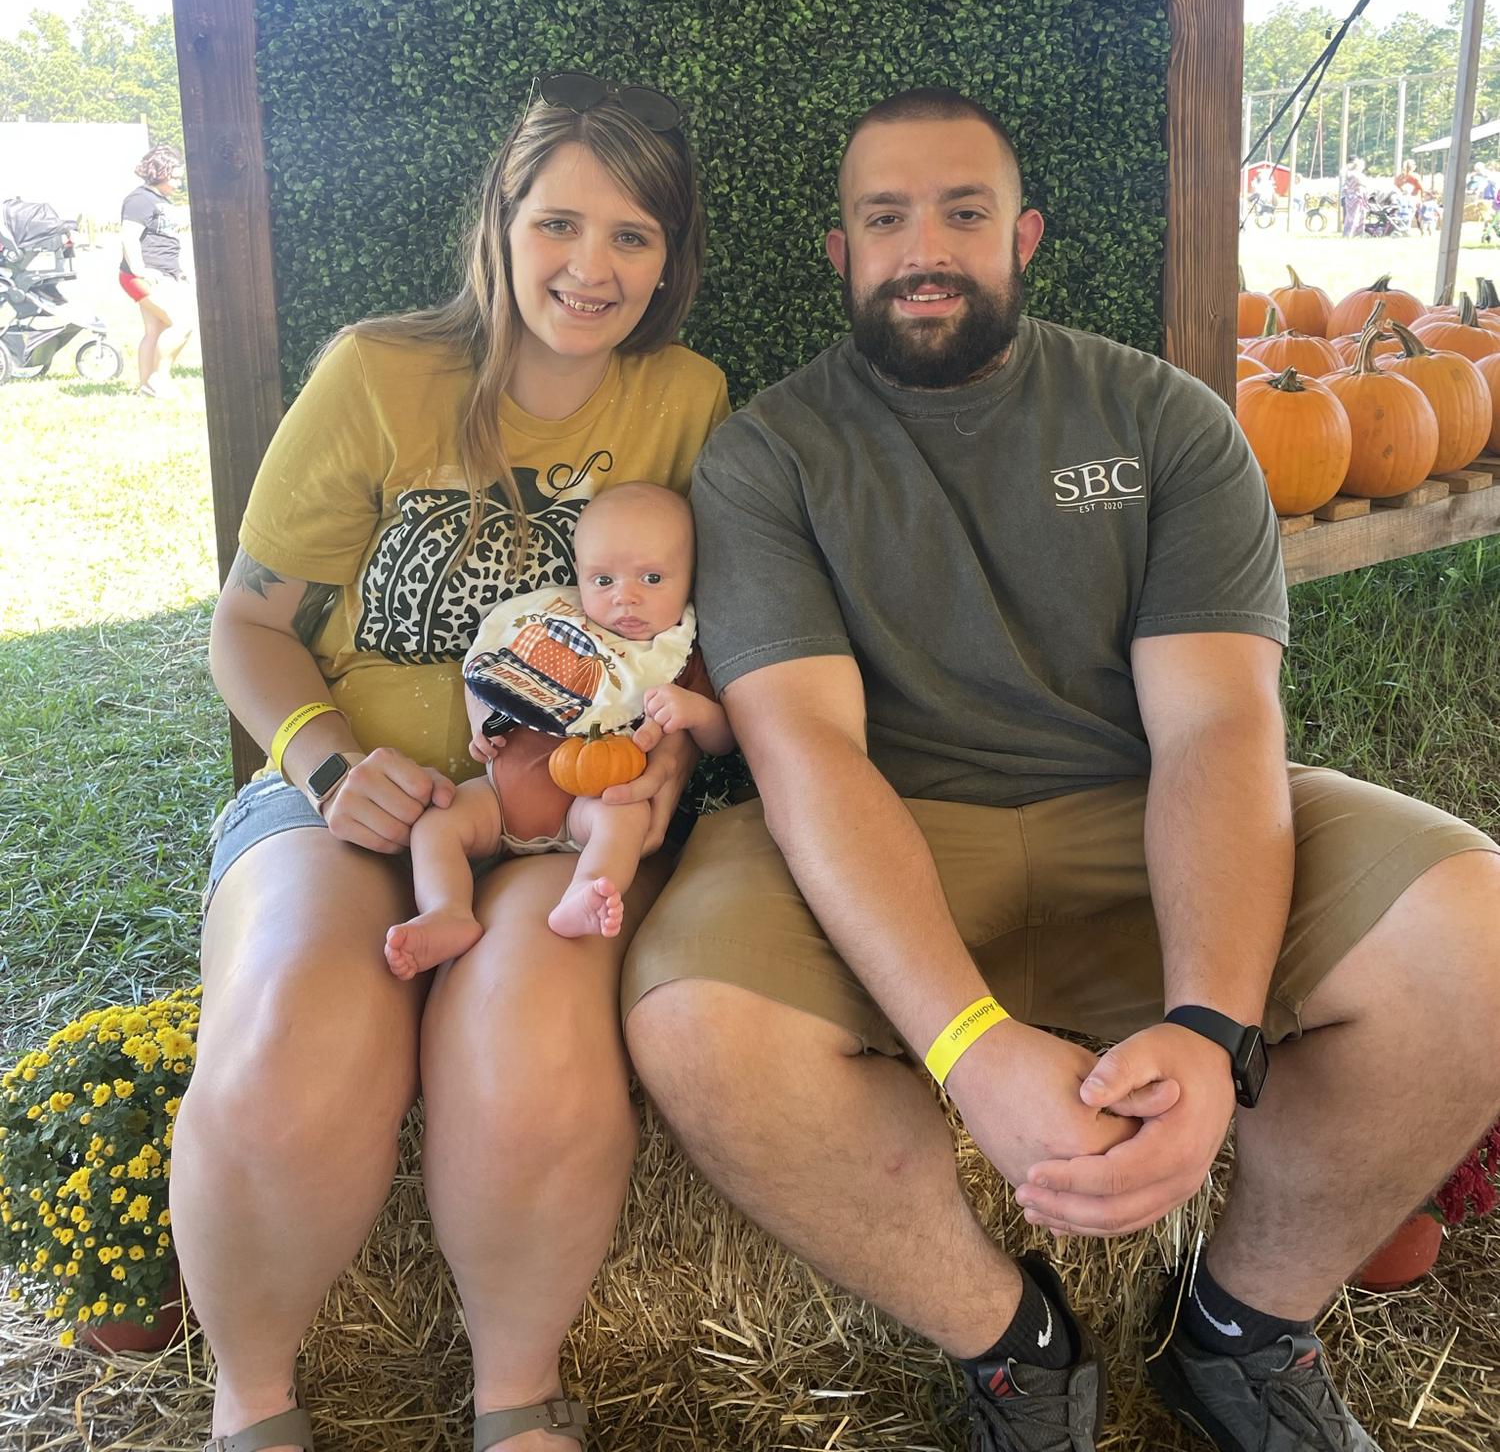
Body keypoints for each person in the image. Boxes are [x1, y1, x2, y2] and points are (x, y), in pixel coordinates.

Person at [622, 87, 1500, 1452]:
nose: (925, 246)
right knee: (695, 1026)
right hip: (893, 826)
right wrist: (969, 1048)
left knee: (1481, 936)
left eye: (963, 213)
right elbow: (806, 751)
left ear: (1023, 234)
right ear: (840, 255)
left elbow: (1215, 726)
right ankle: (1012, 1344)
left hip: (1144, 806)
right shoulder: (766, 455)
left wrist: (1212, 1030)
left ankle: (1244, 1330)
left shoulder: (1166, 419)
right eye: (885, 218)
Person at [175, 77, 728, 1452]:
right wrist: (321, 766)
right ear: (501, 219)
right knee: (294, 1028)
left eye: (631, 238)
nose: (589, 269)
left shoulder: (687, 400)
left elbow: (702, 643)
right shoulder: (378, 373)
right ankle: (253, 1408)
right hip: (343, 802)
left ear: (670, 262)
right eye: (558, 224)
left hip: (555, 819)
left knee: (533, 1046)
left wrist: (658, 772)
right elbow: (248, 625)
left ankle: (517, 1401)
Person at [384, 482, 732, 974]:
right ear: (579, 575)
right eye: (603, 580)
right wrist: (483, 726)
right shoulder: (550, 621)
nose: (625, 599)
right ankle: (447, 910)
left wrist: (695, 711)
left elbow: (723, 741)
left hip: (587, 808)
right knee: (436, 825)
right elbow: (486, 671)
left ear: (690, 578)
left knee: (625, 817)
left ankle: (584, 892)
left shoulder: (678, 653)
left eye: (652, 578)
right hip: (500, 799)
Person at [118, 144, 195, 396]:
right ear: (159, 173)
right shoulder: (139, 199)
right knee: (181, 324)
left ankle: (145, 387)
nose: (178, 184)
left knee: (155, 330)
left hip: (163, 272)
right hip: (143, 275)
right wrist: (140, 270)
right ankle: (159, 380)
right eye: (174, 177)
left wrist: (177, 272)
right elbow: (129, 237)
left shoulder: (160, 200)